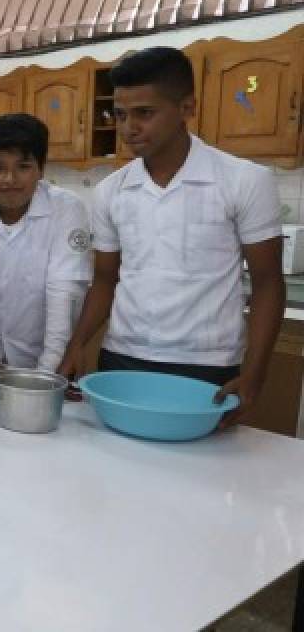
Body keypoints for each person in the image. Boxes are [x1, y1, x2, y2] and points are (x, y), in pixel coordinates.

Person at [57, 46, 285, 425]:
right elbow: (104, 279)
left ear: (186, 108)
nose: (130, 127)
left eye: (145, 113)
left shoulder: (244, 181)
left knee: (199, 477)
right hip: (123, 357)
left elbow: (268, 284)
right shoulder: (111, 191)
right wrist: (77, 343)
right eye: (120, 113)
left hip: (208, 365)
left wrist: (255, 372)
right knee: (118, 469)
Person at [0, 113, 91, 386]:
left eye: (23, 166)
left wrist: (46, 372)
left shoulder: (67, 208)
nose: (10, 179)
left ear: (41, 169)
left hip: (47, 361)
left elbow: (64, 291)